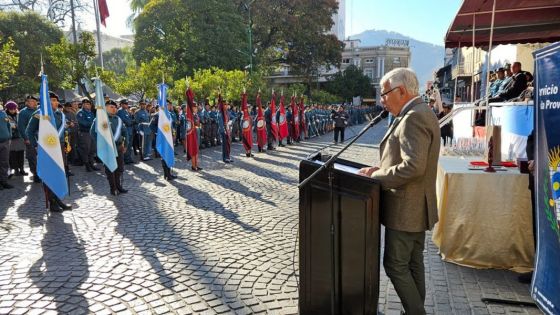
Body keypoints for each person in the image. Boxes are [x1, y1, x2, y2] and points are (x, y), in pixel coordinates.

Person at [358, 68, 440, 315]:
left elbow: (413, 166)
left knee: (395, 265)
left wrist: (377, 176)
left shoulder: (413, 116)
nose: (382, 100)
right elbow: (410, 160)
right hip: (416, 206)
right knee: (413, 264)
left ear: (401, 91)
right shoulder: (419, 112)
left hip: (406, 207)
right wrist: (381, 167)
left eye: (384, 94)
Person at [26, 92, 72, 211]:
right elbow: (29, 132)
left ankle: (58, 199)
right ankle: (52, 202)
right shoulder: (39, 114)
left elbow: (63, 130)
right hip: (47, 149)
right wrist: (36, 145)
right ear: (46, 101)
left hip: (60, 147)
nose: (55, 102)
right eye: (52, 100)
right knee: (50, 174)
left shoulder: (59, 114)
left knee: (59, 173)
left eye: (56, 100)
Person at [90, 100, 128, 195]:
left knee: (119, 168)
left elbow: (125, 132)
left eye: (115, 107)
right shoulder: (100, 119)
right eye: (111, 107)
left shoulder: (118, 119)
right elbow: (92, 133)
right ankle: (113, 188)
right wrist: (101, 144)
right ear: (105, 108)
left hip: (118, 147)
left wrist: (126, 145)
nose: (114, 109)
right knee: (110, 168)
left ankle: (119, 186)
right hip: (107, 148)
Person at [17, 95, 39, 182]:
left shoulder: (39, 111)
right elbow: (21, 127)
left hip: (40, 138)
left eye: (34, 101)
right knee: (32, 157)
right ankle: (35, 174)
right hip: (30, 138)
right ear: (26, 102)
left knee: (40, 157)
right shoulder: (23, 112)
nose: (32, 103)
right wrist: (26, 138)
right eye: (30, 101)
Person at [76, 98, 99, 172]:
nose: (88, 105)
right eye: (86, 104)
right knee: (86, 150)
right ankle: (87, 165)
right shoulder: (80, 113)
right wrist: (93, 124)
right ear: (83, 105)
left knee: (92, 150)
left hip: (91, 133)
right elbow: (83, 123)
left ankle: (92, 164)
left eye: (89, 104)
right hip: (85, 133)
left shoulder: (91, 113)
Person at [5, 101, 25, 179]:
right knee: (13, 155)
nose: (13, 110)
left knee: (21, 153)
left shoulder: (18, 115)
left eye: (14, 109)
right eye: (11, 109)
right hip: (11, 138)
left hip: (20, 137)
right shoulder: (5, 116)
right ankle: (15, 170)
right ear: (7, 109)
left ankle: (22, 169)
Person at [117, 99, 135, 164]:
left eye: (127, 104)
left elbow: (131, 120)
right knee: (125, 145)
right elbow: (125, 121)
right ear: (121, 104)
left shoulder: (126, 111)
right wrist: (131, 122)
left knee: (130, 146)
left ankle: (128, 158)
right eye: (125, 104)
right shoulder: (120, 111)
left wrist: (132, 121)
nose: (126, 105)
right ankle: (125, 159)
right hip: (125, 131)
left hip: (130, 130)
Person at [0, 103, 13, 189]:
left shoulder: (3, 113)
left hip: (5, 141)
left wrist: (9, 136)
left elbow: (9, 126)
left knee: (4, 163)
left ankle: (3, 181)